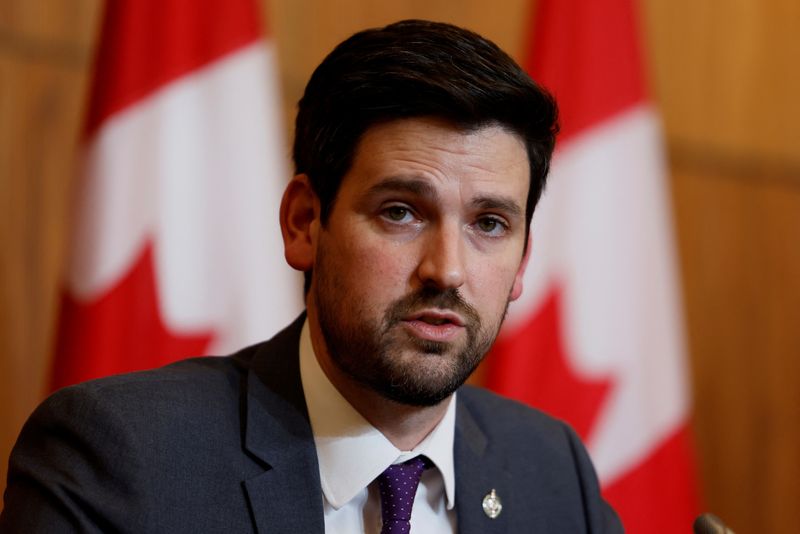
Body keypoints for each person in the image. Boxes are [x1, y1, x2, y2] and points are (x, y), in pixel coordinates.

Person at [1, 20, 623, 533]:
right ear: (304, 223)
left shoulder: (554, 474)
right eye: (400, 212)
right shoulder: (120, 461)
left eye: (489, 224)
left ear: (522, 260)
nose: (448, 270)